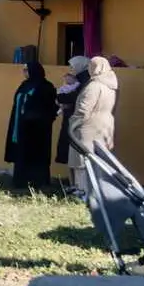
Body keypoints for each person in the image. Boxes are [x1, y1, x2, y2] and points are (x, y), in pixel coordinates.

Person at [69, 55, 119, 195]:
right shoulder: (112, 86)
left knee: (82, 159)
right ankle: (98, 190)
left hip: (88, 127)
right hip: (105, 125)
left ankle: (83, 190)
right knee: (100, 160)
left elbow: (83, 109)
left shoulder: (94, 86)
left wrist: (72, 123)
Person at [4, 61, 58, 189]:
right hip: (21, 126)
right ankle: (21, 181)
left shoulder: (46, 87)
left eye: (26, 70)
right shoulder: (24, 85)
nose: (24, 72)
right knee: (22, 153)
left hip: (38, 129)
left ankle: (38, 182)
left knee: (37, 154)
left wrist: (36, 116)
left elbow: (50, 107)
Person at [55, 56, 91, 193]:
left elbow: (73, 98)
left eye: (73, 66)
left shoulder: (84, 80)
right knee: (71, 155)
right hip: (71, 119)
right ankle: (74, 184)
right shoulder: (80, 78)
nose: (71, 69)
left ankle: (79, 186)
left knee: (76, 156)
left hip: (76, 122)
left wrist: (60, 97)